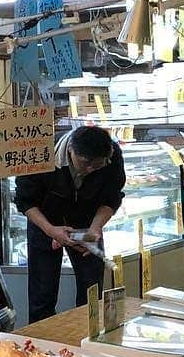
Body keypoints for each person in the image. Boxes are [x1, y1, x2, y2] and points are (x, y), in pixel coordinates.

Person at [13, 125, 126, 323]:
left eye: (98, 165)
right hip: (45, 223)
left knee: (92, 291)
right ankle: (41, 343)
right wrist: (51, 231)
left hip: (88, 224)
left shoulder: (112, 156)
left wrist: (95, 228)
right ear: (70, 149)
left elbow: (111, 198)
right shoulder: (40, 150)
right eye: (86, 163)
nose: (91, 169)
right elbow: (25, 201)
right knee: (42, 294)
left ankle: (88, 339)